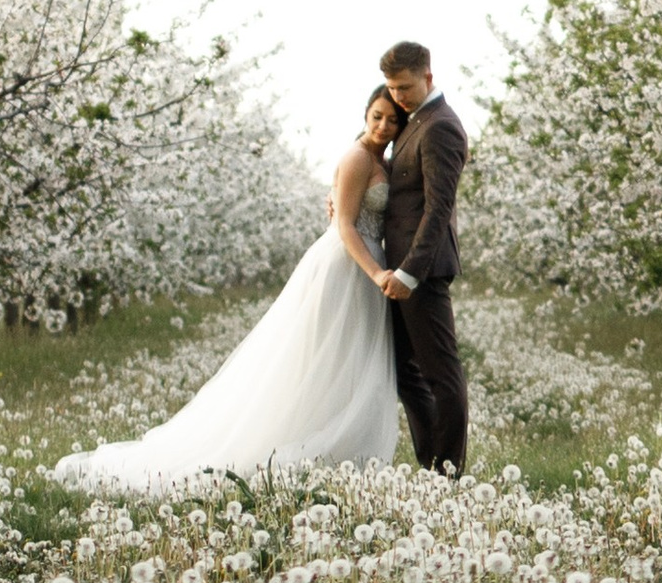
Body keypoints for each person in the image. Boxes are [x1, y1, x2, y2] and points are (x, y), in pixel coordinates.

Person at [54, 86, 405, 490]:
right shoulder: (357, 158)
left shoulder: (384, 160)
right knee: (324, 356)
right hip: (348, 265)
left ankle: (342, 450)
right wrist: (377, 274)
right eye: (377, 116)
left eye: (392, 119)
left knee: (350, 359)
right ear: (365, 114)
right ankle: (309, 444)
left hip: (367, 264)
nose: (383, 125)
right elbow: (343, 225)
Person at [375, 41, 469, 474]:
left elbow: (438, 209)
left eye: (405, 87)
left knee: (440, 374)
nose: (398, 96)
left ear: (428, 77)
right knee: (405, 371)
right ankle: (430, 463)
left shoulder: (440, 126)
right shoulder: (413, 122)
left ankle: (447, 472)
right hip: (398, 269)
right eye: (392, 88)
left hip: (423, 271)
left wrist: (411, 273)